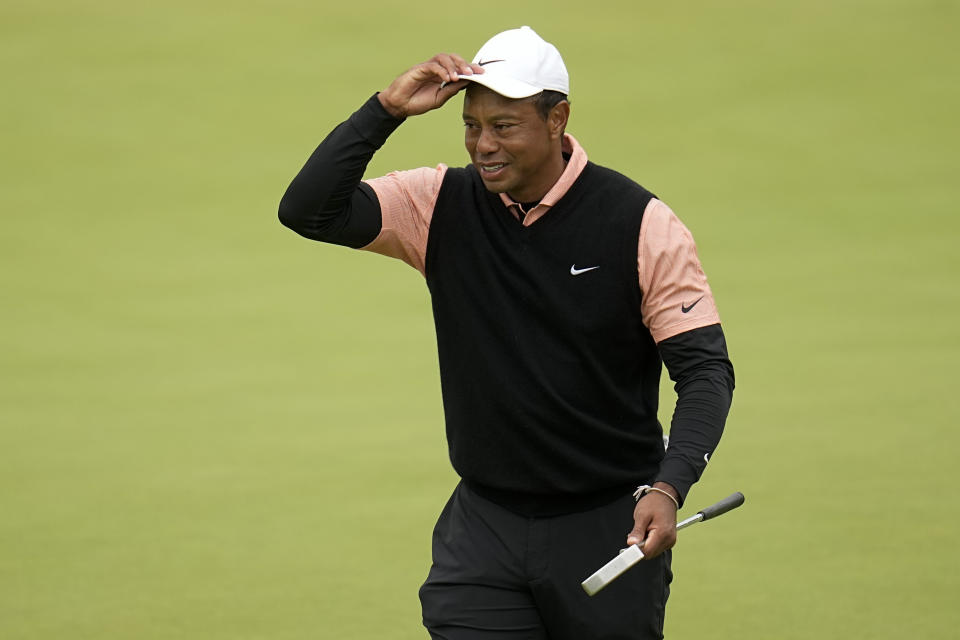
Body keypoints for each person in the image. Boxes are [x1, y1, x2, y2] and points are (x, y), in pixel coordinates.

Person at [279, 26, 734, 640]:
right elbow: (309, 210)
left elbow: (704, 370)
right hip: (484, 529)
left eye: (504, 126)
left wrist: (671, 485)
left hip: (605, 525)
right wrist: (385, 110)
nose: (483, 145)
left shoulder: (639, 223)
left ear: (557, 119)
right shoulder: (439, 203)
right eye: (472, 125)